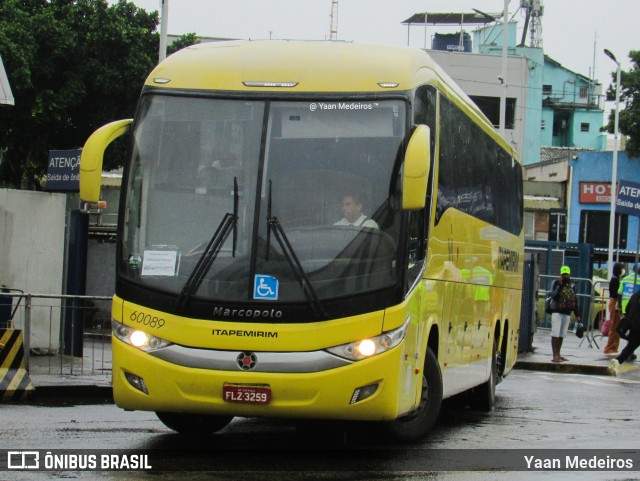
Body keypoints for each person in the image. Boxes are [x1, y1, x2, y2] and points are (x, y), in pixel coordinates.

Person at [548, 266, 582, 362]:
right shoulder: (556, 283)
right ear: (561, 274)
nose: (565, 276)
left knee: (562, 334)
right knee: (555, 333)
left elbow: (575, 300)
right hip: (557, 311)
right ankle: (555, 355)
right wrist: (560, 285)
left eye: (566, 274)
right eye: (563, 274)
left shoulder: (572, 285)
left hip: (567, 312)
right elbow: (553, 296)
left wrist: (577, 314)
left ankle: (558, 354)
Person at [609, 290, 640, 376]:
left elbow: (627, 309)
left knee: (630, 347)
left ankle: (617, 361)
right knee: (631, 346)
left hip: (633, 325)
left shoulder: (635, 295)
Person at [603, 262, 625, 354]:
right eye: (622, 268)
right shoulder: (615, 280)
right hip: (615, 302)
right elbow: (617, 293)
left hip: (614, 302)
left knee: (616, 325)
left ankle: (614, 347)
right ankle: (610, 347)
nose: (624, 270)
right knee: (614, 326)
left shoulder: (616, 279)